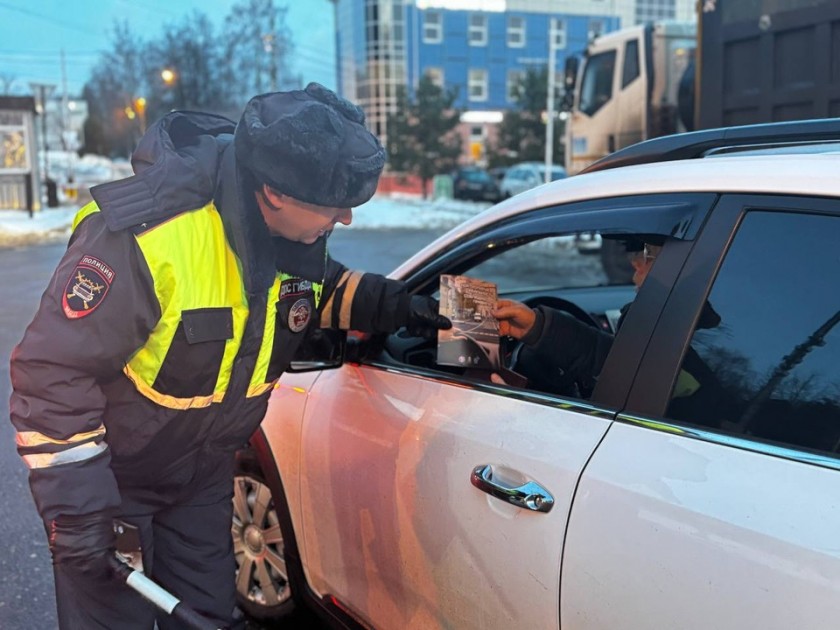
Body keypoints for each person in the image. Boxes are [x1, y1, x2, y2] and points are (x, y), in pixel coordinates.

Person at [9, 82, 450, 629]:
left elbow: (314, 294)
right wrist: (78, 512)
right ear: (275, 193)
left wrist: (398, 305)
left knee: (205, 615)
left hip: (200, 478)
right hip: (114, 486)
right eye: (335, 208)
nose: (346, 220)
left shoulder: (292, 236)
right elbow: (51, 373)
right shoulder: (149, 235)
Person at [492, 238, 729, 419]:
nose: (634, 262)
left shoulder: (680, 345)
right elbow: (619, 365)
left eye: (649, 253)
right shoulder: (686, 336)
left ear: (685, 269)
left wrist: (519, 413)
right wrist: (537, 328)